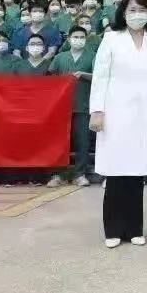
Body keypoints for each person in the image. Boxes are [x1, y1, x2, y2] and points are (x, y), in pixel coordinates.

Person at [90, 0, 147, 248]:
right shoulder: (111, 38)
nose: (137, 15)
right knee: (116, 173)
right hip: (115, 113)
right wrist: (97, 110)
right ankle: (113, 230)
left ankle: (134, 228)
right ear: (123, 14)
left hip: (146, 114)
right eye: (132, 10)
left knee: (137, 173)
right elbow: (100, 76)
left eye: (142, 10)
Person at [47, 26, 96, 188]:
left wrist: (83, 74)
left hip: (83, 105)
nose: (78, 40)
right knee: (60, 142)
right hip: (62, 107)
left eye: (82, 37)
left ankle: (80, 174)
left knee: (83, 142)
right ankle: (58, 174)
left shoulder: (92, 56)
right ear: (69, 39)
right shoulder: (60, 57)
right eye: (75, 37)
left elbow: (100, 77)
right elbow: (50, 78)